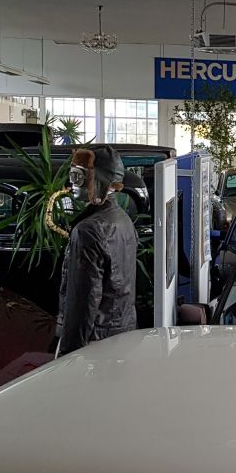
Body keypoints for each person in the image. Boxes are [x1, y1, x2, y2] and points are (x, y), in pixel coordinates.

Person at [57, 146, 138, 356]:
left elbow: (83, 301)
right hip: (123, 333)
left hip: (95, 343)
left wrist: (68, 354)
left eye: (78, 176)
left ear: (98, 180)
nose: (72, 184)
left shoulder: (88, 231)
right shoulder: (124, 220)